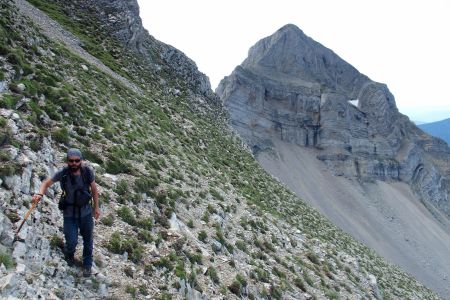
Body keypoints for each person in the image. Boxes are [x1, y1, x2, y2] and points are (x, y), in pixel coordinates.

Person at [32, 148, 100, 277]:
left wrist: (96, 208)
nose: (74, 163)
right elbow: (46, 183)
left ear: (81, 161)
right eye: (71, 161)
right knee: (71, 240)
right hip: (69, 214)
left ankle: (87, 265)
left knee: (88, 240)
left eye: (77, 161)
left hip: (86, 212)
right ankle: (70, 254)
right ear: (67, 161)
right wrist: (39, 193)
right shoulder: (63, 173)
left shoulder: (87, 172)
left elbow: (94, 190)